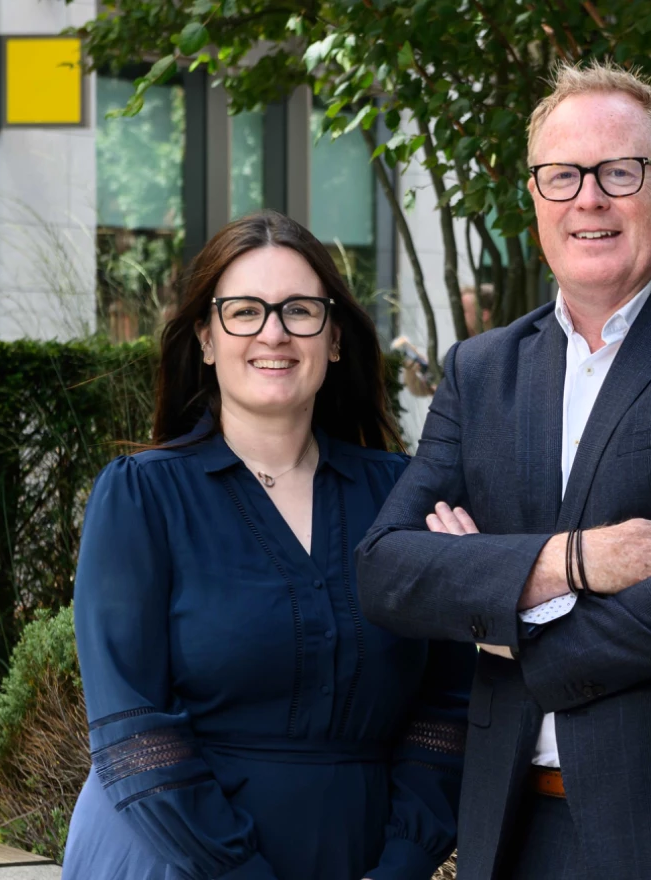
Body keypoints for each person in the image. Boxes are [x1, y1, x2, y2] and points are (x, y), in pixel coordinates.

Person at [355, 63, 651, 880]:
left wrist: (499, 615)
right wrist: (573, 563)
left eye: (618, 172)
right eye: (561, 175)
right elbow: (386, 570)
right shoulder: (482, 370)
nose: (587, 198)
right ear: (535, 197)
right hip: (512, 826)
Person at [63, 211, 472, 880]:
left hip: (359, 860)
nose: (274, 333)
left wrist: (403, 862)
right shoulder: (140, 499)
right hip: (176, 859)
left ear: (335, 338)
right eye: (245, 311)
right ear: (204, 337)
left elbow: (448, 705)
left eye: (300, 310)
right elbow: (132, 731)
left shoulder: (401, 498)